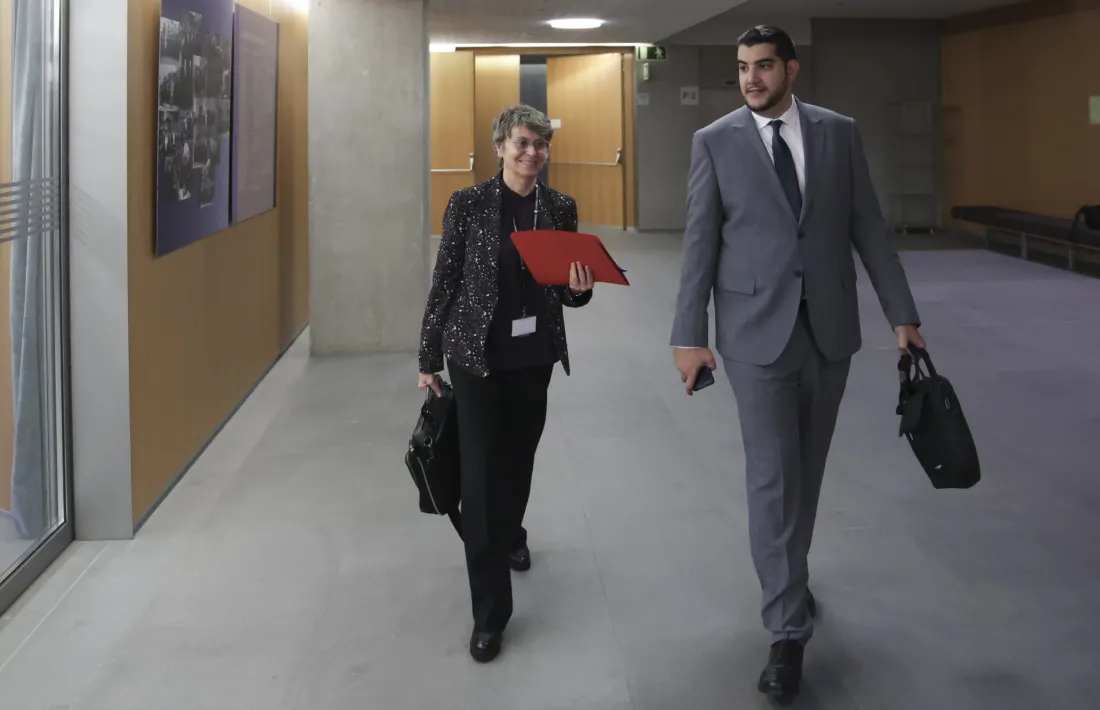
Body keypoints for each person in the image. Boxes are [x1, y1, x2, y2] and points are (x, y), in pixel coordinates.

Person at [669, 25, 926, 705]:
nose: (750, 79)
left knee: (805, 475)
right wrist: (687, 334)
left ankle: (790, 573)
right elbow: (699, 244)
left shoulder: (838, 133)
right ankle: (786, 630)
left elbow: (867, 225)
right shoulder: (715, 142)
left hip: (830, 332)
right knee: (772, 478)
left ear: (791, 68)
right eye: (742, 68)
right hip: (755, 338)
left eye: (763, 66)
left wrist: (903, 314)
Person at [418, 104, 595, 664]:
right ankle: (490, 612)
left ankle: (508, 533)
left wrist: (580, 287)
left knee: (518, 462)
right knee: (481, 476)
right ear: (500, 146)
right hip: (475, 358)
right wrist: (428, 357)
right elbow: (444, 281)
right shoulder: (469, 205)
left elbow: (567, 292)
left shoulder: (559, 207)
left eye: (540, 145)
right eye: (521, 143)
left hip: (533, 356)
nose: (531, 154)